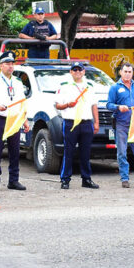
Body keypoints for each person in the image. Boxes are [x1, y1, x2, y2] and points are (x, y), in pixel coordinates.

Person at [0, 51, 30, 192]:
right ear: (0, 66)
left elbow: (22, 103)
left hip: (15, 119)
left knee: (14, 151)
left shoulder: (18, 82)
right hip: (0, 118)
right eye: (7, 64)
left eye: (12, 64)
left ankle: (13, 180)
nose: (10, 66)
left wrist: (25, 120)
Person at [54, 61, 99, 189]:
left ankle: (86, 179)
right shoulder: (64, 86)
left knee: (86, 152)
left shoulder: (89, 86)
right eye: (75, 70)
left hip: (86, 122)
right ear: (71, 72)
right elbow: (57, 105)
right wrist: (68, 104)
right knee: (69, 152)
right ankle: (65, 179)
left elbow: (94, 105)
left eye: (80, 70)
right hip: (71, 122)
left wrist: (96, 122)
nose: (78, 72)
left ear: (84, 72)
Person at [107, 62, 134, 188]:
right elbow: (108, 105)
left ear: (132, 73)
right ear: (120, 72)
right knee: (122, 152)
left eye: (129, 72)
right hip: (121, 124)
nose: (127, 74)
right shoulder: (115, 87)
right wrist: (118, 107)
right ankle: (124, 179)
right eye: (125, 71)